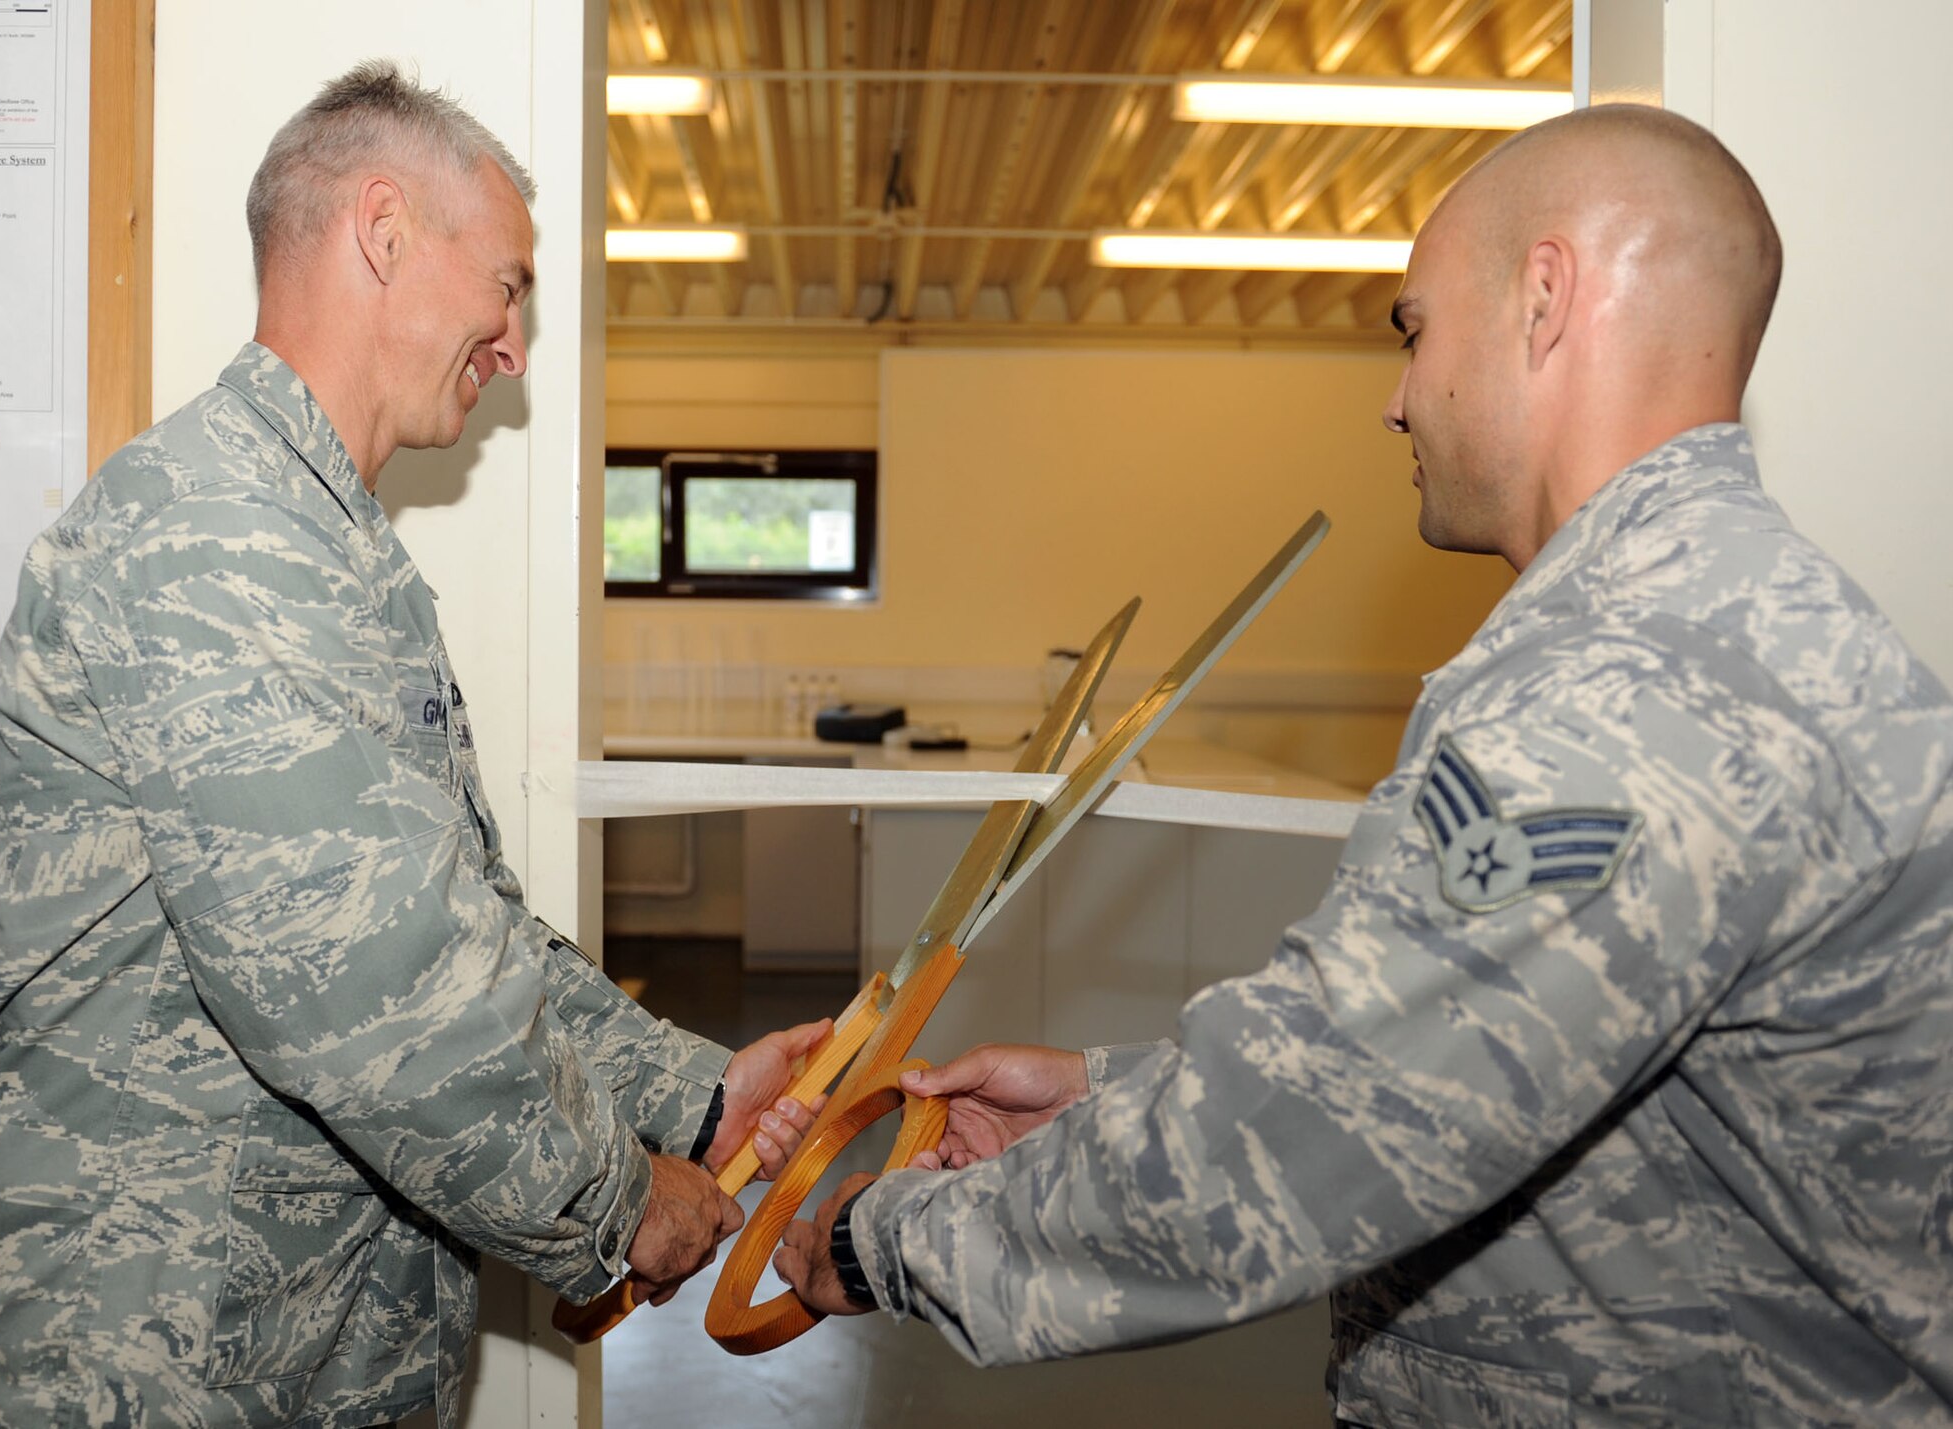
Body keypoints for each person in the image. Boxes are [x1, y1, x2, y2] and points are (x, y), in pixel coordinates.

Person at [778, 103, 1953, 1426]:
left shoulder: (1628, 683)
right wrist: (1114, 1091)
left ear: (1545, 296)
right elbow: (1452, 1050)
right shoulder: (1718, 619)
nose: (1396, 397)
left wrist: (890, 1239)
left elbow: (1308, 1134)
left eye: (1414, 328)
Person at [0, 62, 822, 1429]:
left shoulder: (320, 549)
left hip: (292, 1355)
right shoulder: (212, 538)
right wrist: (616, 1197)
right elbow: (381, 992)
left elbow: (457, 925)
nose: (515, 346)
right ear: (383, 229)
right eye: (511, 285)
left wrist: (700, 1096)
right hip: (141, 1364)